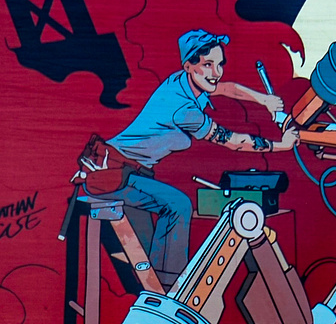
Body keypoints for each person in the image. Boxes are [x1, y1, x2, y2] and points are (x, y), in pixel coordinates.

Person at [106, 29, 294, 284]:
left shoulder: (182, 82)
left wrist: (264, 100)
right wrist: (280, 146)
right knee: (178, 206)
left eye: (219, 64)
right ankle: (170, 288)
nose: (216, 72)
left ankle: (159, 282)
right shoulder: (183, 108)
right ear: (188, 65)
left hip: (132, 172)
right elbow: (233, 142)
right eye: (208, 65)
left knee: (154, 244)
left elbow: (226, 88)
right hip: (115, 174)